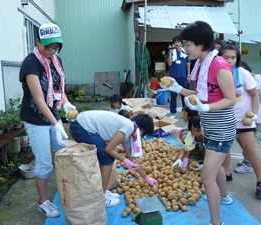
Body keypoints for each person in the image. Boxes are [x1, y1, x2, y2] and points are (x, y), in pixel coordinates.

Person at [161, 21, 236, 225]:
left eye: (187, 44)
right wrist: (179, 89)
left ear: (201, 44)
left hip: (222, 130)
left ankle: (215, 222)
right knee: (216, 167)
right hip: (210, 127)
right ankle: (224, 196)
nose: (185, 49)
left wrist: (207, 108)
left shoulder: (219, 66)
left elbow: (231, 98)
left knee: (206, 176)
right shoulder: (202, 64)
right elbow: (202, 93)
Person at [19, 23, 76, 218]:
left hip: (53, 114)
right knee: (44, 162)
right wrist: (55, 125)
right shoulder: (30, 63)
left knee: (64, 152)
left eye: (56, 46)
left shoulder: (56, 61)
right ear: (38, 42)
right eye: (48, 46)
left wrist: (67, 104)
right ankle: (43, 202)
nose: (52, 51)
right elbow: (39, 99)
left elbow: (59, 90)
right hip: (35, 119)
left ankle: (68, 189)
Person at [69, 111, 158, 207]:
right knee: (107, 160)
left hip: (81, 126)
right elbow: (109, 149)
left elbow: (133, 159)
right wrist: (124, 160)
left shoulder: (129, 133)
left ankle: (100, 190)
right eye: (143, 135)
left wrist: (146, 178)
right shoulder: (128, 127)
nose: (142, 138)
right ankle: (101, 198)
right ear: (142, 129)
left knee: (103, 158)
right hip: (81, 127)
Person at [218, 42, 261, 199]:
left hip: (243, 119)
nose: (230, 60)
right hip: (225, 118)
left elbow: (254, 95)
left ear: (237, 58)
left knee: (250, 150)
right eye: (226, 57)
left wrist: (252, 114)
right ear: (219, 57)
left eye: (233, 57)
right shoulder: (217, 74)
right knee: (224, 149)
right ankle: (226, 173)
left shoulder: (243, 73)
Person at [235, 62, 261, 173]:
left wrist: (245, 77)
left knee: (248, 143)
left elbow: (254, 89)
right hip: (243, 116)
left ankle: (248, 164)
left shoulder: (256, 78)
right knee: (240, 139)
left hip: (255, 115)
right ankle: (246, 159)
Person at [167, 36, 191, 118]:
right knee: (173, 95)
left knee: (184, 96)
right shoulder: (172, 52)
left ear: (181, 43)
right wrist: (169, 52)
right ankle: (173, 112)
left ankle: (185, 111)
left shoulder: (185, 52)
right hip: (173, 78)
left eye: (178, 42)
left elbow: (188, 63)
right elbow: (169, 63)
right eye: (175, 42)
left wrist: (188, 75)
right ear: (173, 43)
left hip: (183, 77)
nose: (177, 43)